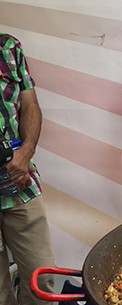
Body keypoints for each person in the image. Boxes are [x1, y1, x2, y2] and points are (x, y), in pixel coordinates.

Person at [0, 33, 55, 305]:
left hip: (20, 180)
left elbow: (30, 104)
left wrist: (25, 153)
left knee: (40, 277)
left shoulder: (8, 47)